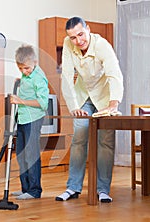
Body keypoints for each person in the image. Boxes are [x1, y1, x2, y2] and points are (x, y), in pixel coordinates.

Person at [55, 17, 124, 203]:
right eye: (73, 37)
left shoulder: (102, 46)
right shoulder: (69, 45)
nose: (78, 41)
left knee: (105, 143)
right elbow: (68, 77)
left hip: (104, 97)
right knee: (79, 139)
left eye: (80, 35)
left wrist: (113, 103)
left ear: (88, 29)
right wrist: (74, 106)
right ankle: (73, 187)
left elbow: (114, 75)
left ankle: (103, 190)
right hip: (83, 95)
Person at [10, 44, 49, 200]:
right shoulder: (27, 74)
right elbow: (27, 80)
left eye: (26, 68)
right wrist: (21, 80)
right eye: (20, 69)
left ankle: (34, 190)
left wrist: (20, 100)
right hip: (22, 118)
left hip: (33, 119)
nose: (24, 71)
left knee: (31, 155)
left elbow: (43, 103)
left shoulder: (39, 78)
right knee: (21, 154)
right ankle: (25, 188)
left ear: (35, 62)